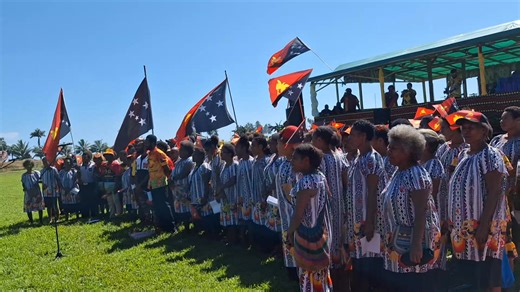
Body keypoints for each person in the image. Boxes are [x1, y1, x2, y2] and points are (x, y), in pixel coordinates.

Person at [448, 112, 507, 291]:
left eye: (471, 128)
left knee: (488, 273)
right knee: (473, 276)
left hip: (483, 228)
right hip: (464, 230)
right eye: (463, 128)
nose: (466, 131)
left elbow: (495, 190)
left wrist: (484, 225)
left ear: (484, 130)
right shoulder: (464, 154)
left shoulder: (490, 155)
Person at [381, 125, 441, 291]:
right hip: (399, 242)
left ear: (409, 151)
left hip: (415, 244)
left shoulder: (416, 174)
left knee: (416, 284)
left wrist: (416, 245)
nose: (388, 151)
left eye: (394, 148)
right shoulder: (398, 172)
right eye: (389, 146)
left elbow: (422, 211)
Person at [344, 120, 387, 291]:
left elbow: (372, 192)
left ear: (363, 136)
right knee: (360, 263)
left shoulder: (371, 159)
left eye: (353, 135)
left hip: (368, 223)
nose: (349, 139)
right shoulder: (358, 158)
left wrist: (370, 222)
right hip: (357, 221)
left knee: (370, 264)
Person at [287, 144, 333, 291]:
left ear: (306, 160)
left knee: (309, 275)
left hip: (308, 235)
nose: (291, 161)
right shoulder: (320, 176)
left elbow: (298, 214)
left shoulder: (306, 181)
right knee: (320, 274)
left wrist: (289, 232)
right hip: (321, 232)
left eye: (295, 158)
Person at [312, 126, 348, 284]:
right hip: (339, 204)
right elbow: (345, 178)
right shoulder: (339, 156)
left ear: (320, 140)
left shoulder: (321, 159)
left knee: (328, 238)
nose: (312, 142)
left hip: (326, 207)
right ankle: (340, 275)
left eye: (314, 139)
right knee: (338, 239)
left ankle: (331, 277)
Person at [277, 126, 303, 281]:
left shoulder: (296, 165)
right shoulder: (284, 163)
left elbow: (295, 195)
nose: (277, 146)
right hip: (286, 216)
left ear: (288, 145)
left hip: (295, 218)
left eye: (280, 143)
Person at [145, 134, 176, 233]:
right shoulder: (149, 154)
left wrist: (169, 179)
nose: (146, 144)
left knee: (164, 206)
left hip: (162, 183)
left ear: (153, 143)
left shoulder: (159, 153)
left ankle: (171, 227)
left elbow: (166, 168)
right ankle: (163, 227)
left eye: (147, 142)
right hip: (153, 184)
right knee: (158, 206)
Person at [217, 143, 240, 245]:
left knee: (233, 220)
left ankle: (234, 241)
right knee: (227, 219)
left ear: (230, 154)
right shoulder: (223, 166)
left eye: (224, 152)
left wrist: (222, 187)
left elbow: (234, 179)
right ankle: (229, 239)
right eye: (221, 152)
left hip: (233, 196)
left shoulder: (235, 165)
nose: (221, 154)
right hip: (225, 198)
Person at [250, 135, 270, 249]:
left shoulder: (265, 161)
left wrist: (264, 199)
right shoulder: (254, 161)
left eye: (254, 145)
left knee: (265, 222)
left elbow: (266, 182)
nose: (251, 148)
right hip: (255, 197)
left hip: (263, 198)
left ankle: (266, 247)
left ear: (261, 147)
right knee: (257, 222)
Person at [170, 140, 195, 231]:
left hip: (185, 189)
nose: (180, 152)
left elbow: (184, 173)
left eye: (182, 150)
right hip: (177, 191)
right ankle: (185, 227)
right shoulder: (179, 162)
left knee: (188, 209)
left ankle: (190, 227)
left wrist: (174, 178)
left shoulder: (189, 161)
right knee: (181, 209)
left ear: (188, 151)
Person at [204, 136, 224, 238]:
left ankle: (220, 234)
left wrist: (220, 191)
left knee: (220, 214)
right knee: (215, 213)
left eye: (207, 150)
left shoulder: (219, 160)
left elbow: (220, 177)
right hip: (213, 192)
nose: (206, 153)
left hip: (220, 192)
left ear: (213, 148)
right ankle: (215, 233)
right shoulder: (210, 161)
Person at [188, 147, 212, 233]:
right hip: (195, 197)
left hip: (202, 197)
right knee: (196, 216)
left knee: (205, 216)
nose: (193, 155)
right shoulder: (194, 166)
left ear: (201, 155)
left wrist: (205, 197)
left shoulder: (204, 166)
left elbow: (207, 183)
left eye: (195, 154)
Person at [236, 136, 254, 245]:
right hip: (243, 198)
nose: (236, 150)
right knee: (244, 220)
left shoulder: (252, 162)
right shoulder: (241, 162)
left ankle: (252, 242)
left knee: (251, 220)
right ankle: (244, 240)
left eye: (237, 148)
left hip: (251, 198)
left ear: (243, 148)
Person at [21, 159, 44, 224]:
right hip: (28, 193)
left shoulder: (37, 173)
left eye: (30, 164)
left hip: (37, 192)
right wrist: (25, 189)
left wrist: (39, 182)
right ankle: (31, 221)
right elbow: (23, 183)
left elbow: (41, 180)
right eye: (27, 165)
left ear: (32, 165)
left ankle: (41, 220)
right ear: (25, 166)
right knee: (29, 207)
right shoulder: (24, 175)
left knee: (40, 206)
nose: (29, 166)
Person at [102, 148, 123, 218]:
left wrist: (116, 186)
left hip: (113, 184)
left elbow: (118, 175)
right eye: (106, 155)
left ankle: (119, 214)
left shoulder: (116, 164)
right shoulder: (105, 165)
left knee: (116, 201)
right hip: (107, 184)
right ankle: (112, 215)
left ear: (112, 156)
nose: (107, 156)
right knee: (110, 201)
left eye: (109, 155)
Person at [41, 157, 62, 223]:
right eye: (43, 162)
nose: (45, 163)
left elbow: (58, 179)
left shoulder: (53, 169)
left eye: (46, 161)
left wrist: (59, 187)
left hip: (54, 190)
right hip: (46, 191)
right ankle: (50, 218)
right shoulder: (42, 171)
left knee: (55, 205)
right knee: (49, 206)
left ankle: (57, 217)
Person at [78, 151, 97, 219]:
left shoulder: (93, 165)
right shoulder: (80, 166)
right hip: (83, 186)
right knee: (84, 201)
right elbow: (79, 176)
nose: (83, 159)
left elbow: (95, 174)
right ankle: (85, 214)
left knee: (92, 200)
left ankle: (93, 214)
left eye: (85, 157)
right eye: (82, 157)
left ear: (89, 158)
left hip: (91, 185)